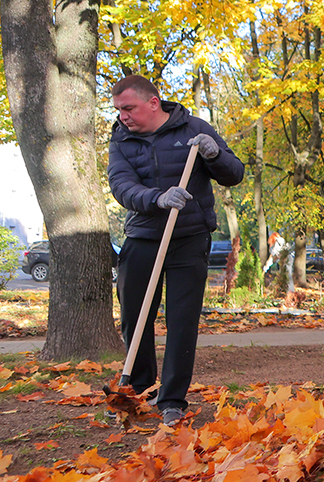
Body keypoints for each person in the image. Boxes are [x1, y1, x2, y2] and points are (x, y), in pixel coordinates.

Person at [108, 74, 245, 426]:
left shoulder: (194, 129)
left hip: (189, 239)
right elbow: (121, 185)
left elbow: (234, 173)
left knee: (182, 322)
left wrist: (214, 156)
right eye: (119, 110)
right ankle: (137, 387)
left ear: (153, 102)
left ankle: (171, 400)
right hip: (143, 238)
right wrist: (156, 199)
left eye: (128, 108)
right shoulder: (122, 139)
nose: (123, 116)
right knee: (135, 317)